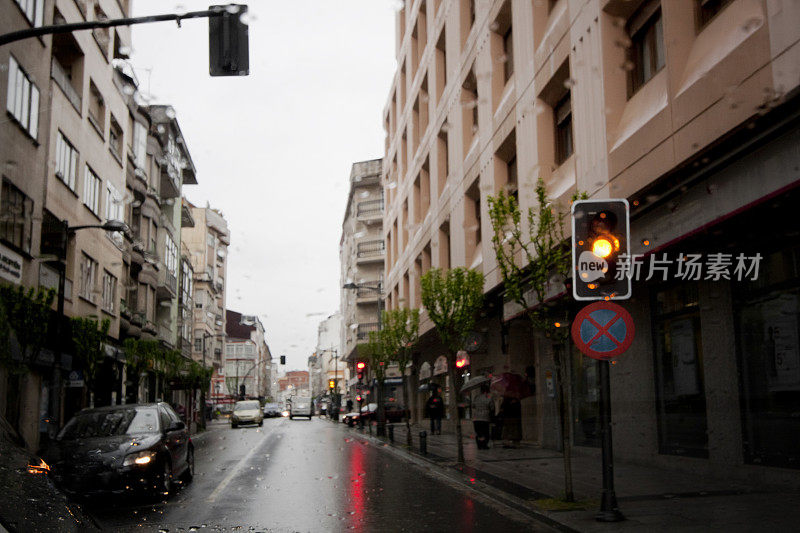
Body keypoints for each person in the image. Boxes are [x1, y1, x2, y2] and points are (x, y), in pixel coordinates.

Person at [472, 384, 493, 449]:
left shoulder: (476, 397)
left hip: (476, 418)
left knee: (478, 432)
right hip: (485, 417)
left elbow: (473, 406)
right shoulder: (488, 397)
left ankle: (479, 445)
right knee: (485, 432)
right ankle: (484, 445)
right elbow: (492, 407)